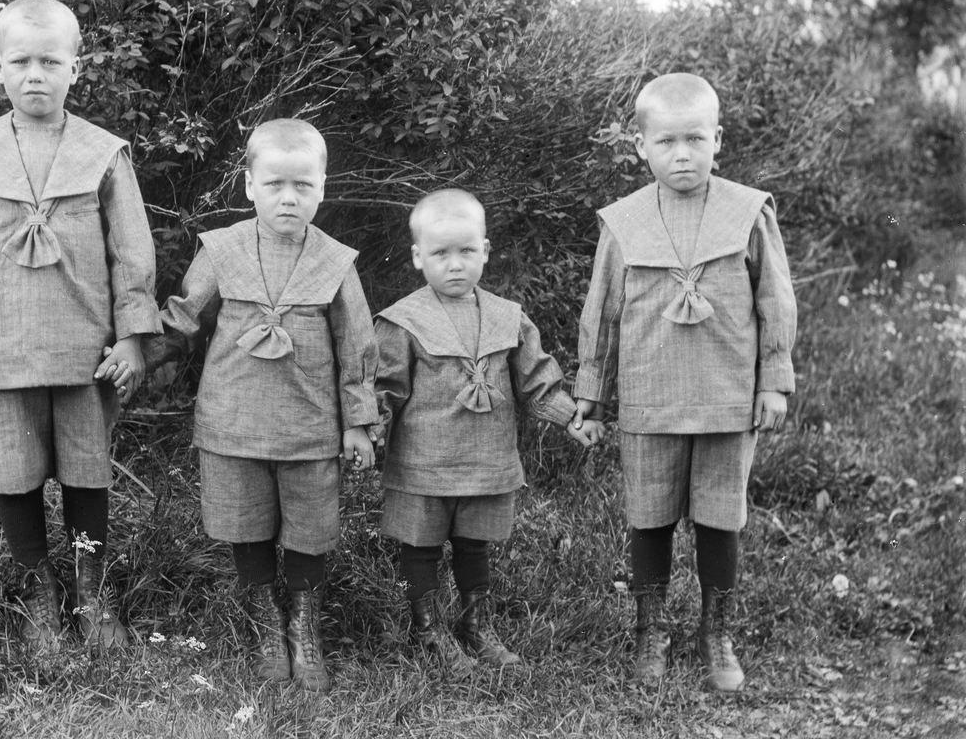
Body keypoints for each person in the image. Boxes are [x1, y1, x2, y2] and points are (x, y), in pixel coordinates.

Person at [0, 0, 160, 651]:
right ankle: (37, 591)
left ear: (74, 69)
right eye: (21, 61)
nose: (36, 74)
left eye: (51, 62)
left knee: (87, 470)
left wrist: (132, 336)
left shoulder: (103, 153)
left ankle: (91, 592)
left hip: (86, 352)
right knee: (13, 470)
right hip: (3, 351)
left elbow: (132, 252)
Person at [127, 118, 378, 692]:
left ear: (322, 188)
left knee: (310, 526)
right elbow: (184, 319)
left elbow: (358, 346)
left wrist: (359, 422)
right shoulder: (223, 250)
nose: (289, 198)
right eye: (274, 184)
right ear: (248, 186)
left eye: (303, 185)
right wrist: (137, 357)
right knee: (246, 520)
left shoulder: (335, 262)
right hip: (234, 422)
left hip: (309, 426)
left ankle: (304, 625)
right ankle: (265, 619)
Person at [573, 72, 797, 691]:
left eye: (696, 139)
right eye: (666, 141)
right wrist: (591, 397)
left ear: (717, 140)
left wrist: (773, 380)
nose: (682, 154)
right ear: (640, 146)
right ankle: (650, 629)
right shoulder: (623, 222)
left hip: (728, 396)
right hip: (651, 398)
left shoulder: (748, 211)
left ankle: (715, 631)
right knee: (649, 516)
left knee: (721, 517)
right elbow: (603, 314)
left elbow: (775, 299)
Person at [371, 189, 604, 677]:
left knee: (474, 543)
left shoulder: (507, 316)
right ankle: (427, 629)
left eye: (466, 251)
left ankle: (475, 624)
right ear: (417, 257)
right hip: (423, 466)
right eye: (440, 253)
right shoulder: (402, 321)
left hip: (487, 460)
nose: (455, 264)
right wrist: (367, 433)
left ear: (485, 250)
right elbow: (384, 389)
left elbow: (536, 381)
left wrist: (571, 418)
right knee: (421, 545)